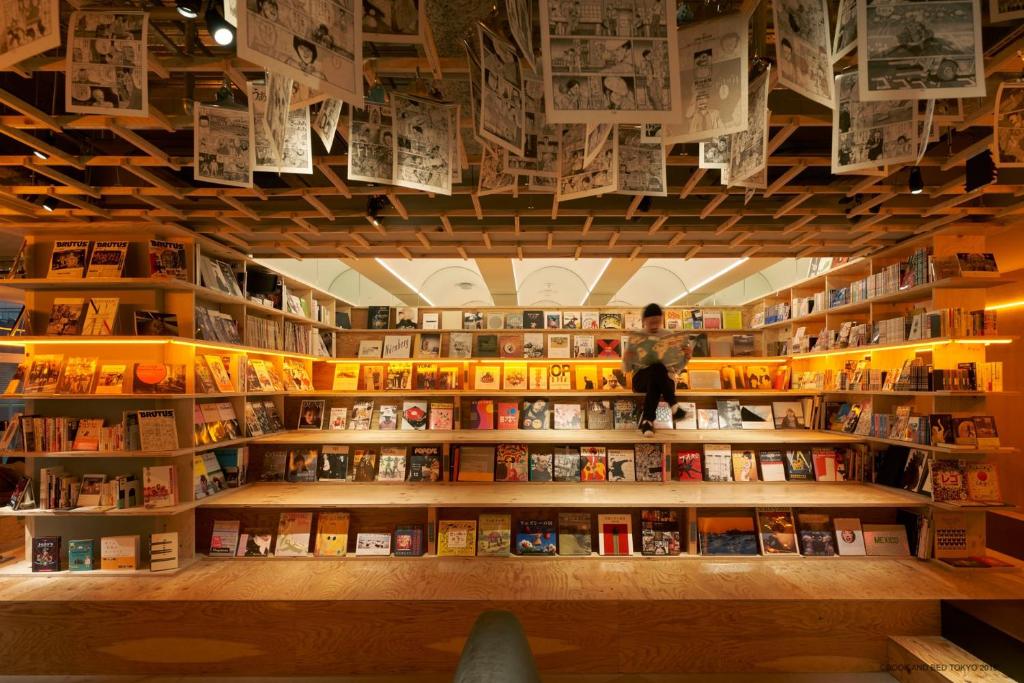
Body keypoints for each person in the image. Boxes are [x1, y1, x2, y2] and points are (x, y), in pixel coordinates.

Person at [622, 303, 691, 437]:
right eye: (651, 322)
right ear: (644, 321)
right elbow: (627, 369)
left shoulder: (669, 336)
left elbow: (677, 368)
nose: (654, 325)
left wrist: (687, 357)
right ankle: (674, 406)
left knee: (657, 370)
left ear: (662, 320)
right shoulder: (637, 338)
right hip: (641, 380)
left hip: (665, 380)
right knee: (656, 368)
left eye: (657, 322)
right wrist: (627, 359)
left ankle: (647, 421)